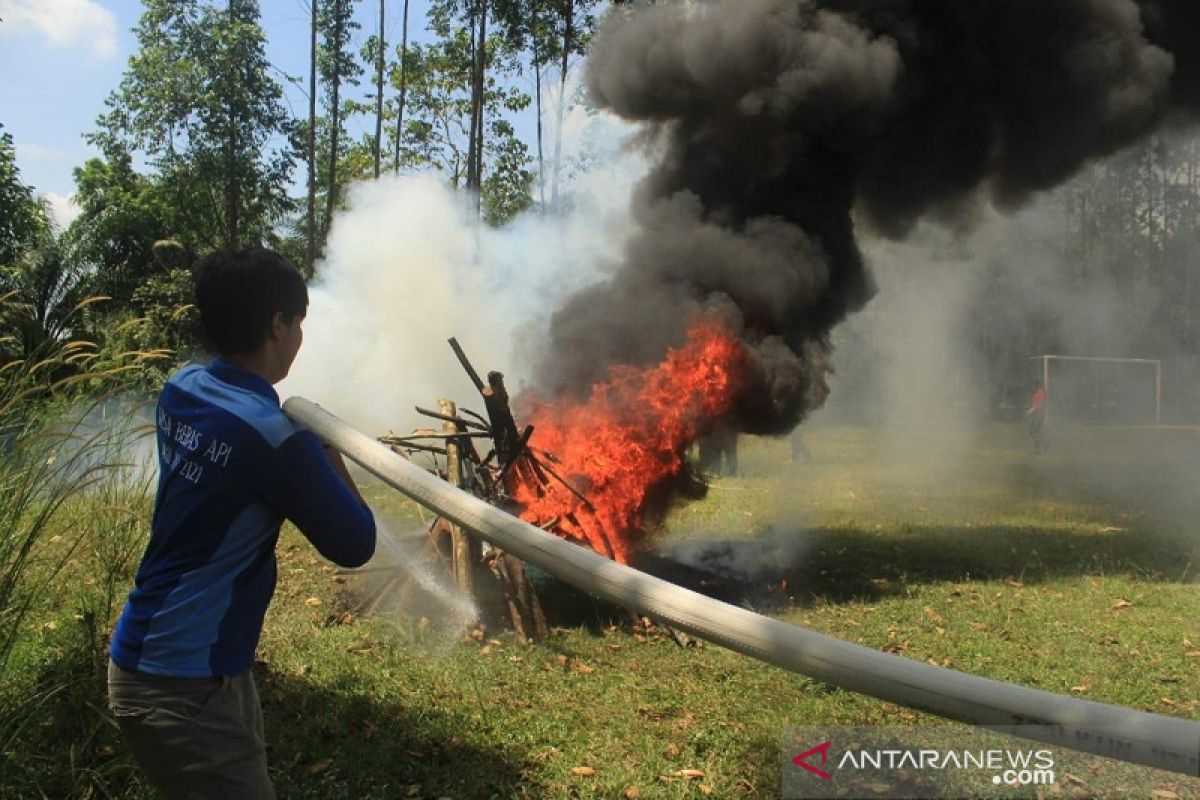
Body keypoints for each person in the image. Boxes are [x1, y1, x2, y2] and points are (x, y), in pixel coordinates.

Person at [107, 247, 376, 799]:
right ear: (278, 323)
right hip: (184, 685)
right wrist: (330, 450)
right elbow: (357, 543)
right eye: (299, 323)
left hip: (162, 659)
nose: (301, 339)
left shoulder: (181, 388)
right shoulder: (276, 439)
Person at [1027, 382, 1048, 453]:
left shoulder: (1040, 392)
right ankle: (1038, 447)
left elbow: (1039, 404)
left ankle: (1043, 444)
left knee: (1034, 430)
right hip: (1036, 414)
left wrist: (1031, 410)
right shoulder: (1037, 392)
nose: (1032, 387)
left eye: (1034, 385)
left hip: (1039, 414)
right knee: (1033, 431)